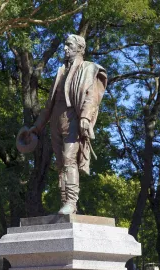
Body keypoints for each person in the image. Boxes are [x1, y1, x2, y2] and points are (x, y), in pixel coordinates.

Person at [30, 34, 107, 215]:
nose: (65, 48)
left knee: (69, 158)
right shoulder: (60, 72)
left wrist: (85, 118)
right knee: (60, 164)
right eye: (65, 45)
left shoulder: (89, 68)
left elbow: (91, 97)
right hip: (56, 119)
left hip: (73, 117)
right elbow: (48, 105)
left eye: (69, 45)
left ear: (80, 48)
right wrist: (37, 126)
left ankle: (72, 202)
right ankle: (65, 202)